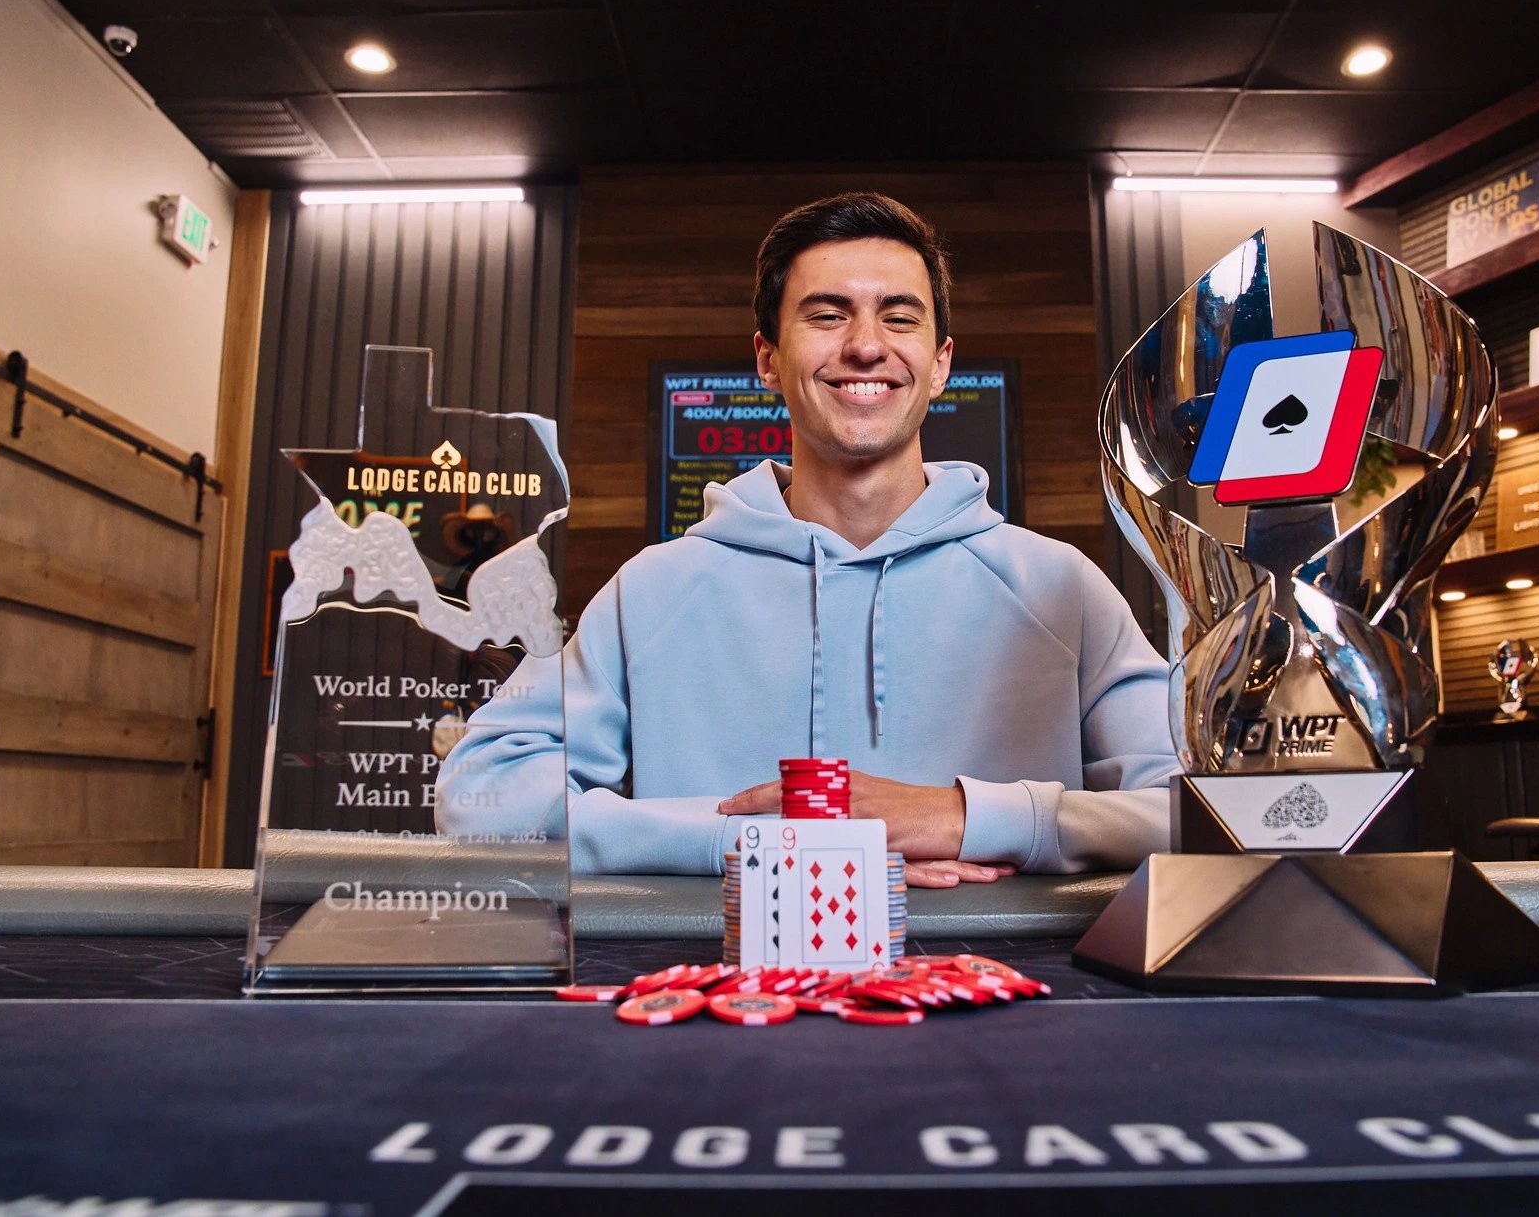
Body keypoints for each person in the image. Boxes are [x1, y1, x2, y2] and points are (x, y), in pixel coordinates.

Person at [438, 192, 1177, 887]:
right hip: (725, 1007)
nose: (864, 346)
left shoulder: (1059, 586)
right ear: (768, 358)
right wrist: (757, 839)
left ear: (941, 362)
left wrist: (965, 817)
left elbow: (1199, 809)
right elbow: (480, 798)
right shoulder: (654, 589)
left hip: (1011, 1005)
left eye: (899, 317)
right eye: (827, 315)